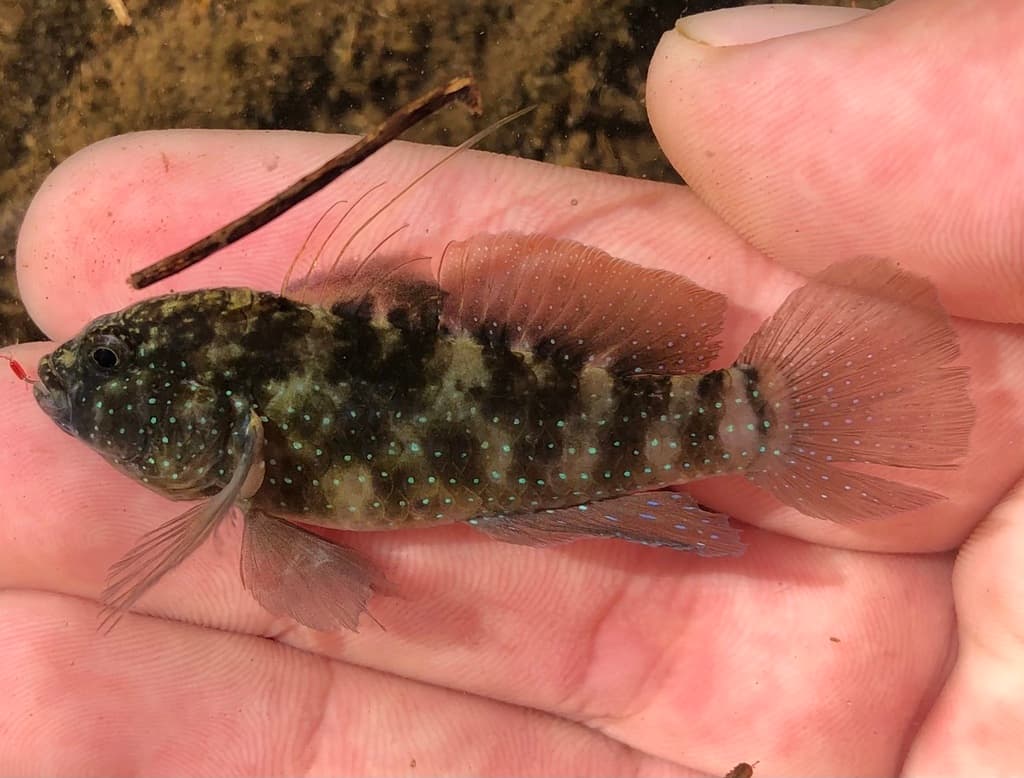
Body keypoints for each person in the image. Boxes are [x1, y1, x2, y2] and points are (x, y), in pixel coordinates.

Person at [2, 2, 1021, 774]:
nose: (75, 380)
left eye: (106, 368)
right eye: (99, 361)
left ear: (204, 408)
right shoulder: (247, 398)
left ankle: (757, 418)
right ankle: (748, 419)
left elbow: (308, 577)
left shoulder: (243, 437)